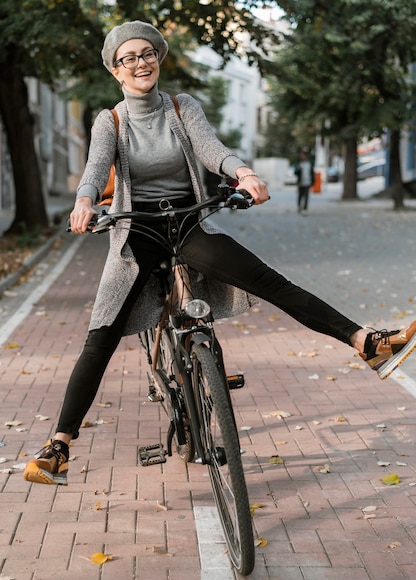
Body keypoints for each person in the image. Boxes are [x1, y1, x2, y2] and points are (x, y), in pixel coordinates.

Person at [23, 20, 416, 486]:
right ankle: (60, 446)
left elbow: (212, 150)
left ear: (158, 58)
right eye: (128, 58)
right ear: (115, 71)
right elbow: (95, 169)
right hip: (137, 231)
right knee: (102, 333)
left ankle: (366, 343)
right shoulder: (109, 121)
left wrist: (244, 173)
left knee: (270, 281)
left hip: (187, 221)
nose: (140, 63)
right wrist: (85, 200)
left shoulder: (180, 106)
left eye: (147, 53)